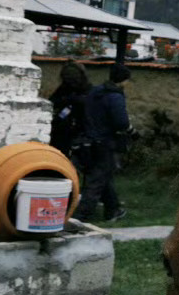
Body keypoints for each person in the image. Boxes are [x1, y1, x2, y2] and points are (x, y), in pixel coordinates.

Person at [76, 65, 133, 224]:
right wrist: (130, 130)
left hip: (88, 140)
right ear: (124, 80)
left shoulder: (95, 92)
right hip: (105, 141)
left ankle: (113, 210)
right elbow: (121, 122)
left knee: (104, 175)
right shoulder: (115, 96)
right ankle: (81, 217)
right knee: (97, 180)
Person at [48, 61, 90, 163]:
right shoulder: (63, 89)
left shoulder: (86, 91)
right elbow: (52, 103)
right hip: (62, 130)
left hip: (78, 131)